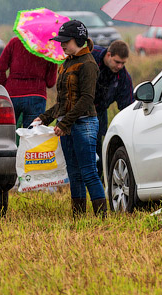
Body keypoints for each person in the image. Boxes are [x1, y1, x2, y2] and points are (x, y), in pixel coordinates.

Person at [32, 20, 106, 216]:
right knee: (74, 174)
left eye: (66, 41)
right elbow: (64, 102)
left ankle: (102, 217)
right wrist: (44, 118)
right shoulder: (66, 63)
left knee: (89, 172)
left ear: (79, 40)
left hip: (84, 124)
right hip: (67, 125)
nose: (62, 44)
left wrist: (65, 123)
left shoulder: (88, 64)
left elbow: (86, 99)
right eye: (61, 41)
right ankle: (78, 217)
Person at [0, 34, 58, 131]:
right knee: (32, 135)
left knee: (7, 133)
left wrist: (7, 86)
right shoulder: (49, 48)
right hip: (36, 96)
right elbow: (50, 83)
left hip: (12, 94)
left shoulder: (15, 42)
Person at [91, 40, 133, 174]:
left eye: (123, 63)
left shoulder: (123, 78)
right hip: (76, 108)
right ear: (108, 55)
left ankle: (98, 180)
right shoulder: (91, 56)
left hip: (99, 113)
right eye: (117, 62)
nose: (120, 66)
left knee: (97, 150)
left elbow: (127, 108)